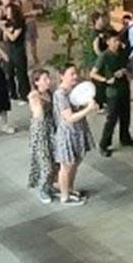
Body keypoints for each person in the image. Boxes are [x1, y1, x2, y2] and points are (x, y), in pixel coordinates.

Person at [53, 64, 98, 206]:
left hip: (78, 130)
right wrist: (88, 109)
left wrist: (88, 105)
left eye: (75, 73)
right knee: (66, 166)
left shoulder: (73, 91)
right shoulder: (60, 94)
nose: (75, 76)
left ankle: (69, 189)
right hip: (68, 133)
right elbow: (69, 117)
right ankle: (64, 196)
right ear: (62, 76)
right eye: (71, 74)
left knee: (75, 162)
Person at [91, 31, 133, 155]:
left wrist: (125, 71)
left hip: (123, 87)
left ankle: (125, 138)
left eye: (118, 40)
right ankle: (104, 144)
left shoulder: (121, 53)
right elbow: (93, 73)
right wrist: (106, 80)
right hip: (113, 91)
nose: (117, 43)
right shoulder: (104, 56)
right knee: (112, 119)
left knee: (125, 116)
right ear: (108, 42)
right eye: (114, 41)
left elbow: (128, 66)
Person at [0, 0, 30, 101]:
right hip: (9, 48)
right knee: (8, 72)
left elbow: (14, 37)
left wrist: (5, 30)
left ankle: (24, 94)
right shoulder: (8, 21)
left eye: (9, 12)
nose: (7, 14)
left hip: (18, 49)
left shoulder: (19, 23)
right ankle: (12, 93)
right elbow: (6, 38)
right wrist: (5, 30)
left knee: (21, 73)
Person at [27, 69, 57, 204]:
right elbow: (39, 115)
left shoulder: (49, 93)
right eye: (44, 79)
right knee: (45, 161)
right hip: (40, 131)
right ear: (36, 82)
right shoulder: (35, 96)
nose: (48, 81)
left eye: (48, 78)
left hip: (51, 130)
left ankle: (50, 185)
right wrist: (37, 99)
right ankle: (43, 188)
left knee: (55, 159)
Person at [21, 0, 46, 66]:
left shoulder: (31, 1)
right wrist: (31, 13)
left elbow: (40, 7)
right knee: (27, 43)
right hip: (26, 23)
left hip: (32, 23)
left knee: (33, 42)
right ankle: (27, 61)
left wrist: (38, 11)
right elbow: (19, 15)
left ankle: (35, 59)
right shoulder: (20, 2)